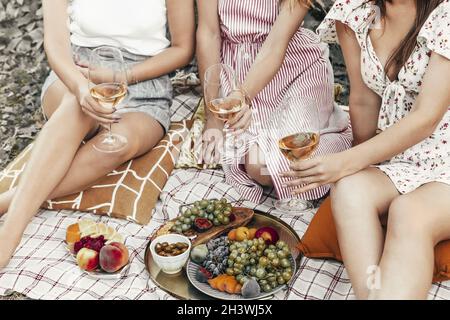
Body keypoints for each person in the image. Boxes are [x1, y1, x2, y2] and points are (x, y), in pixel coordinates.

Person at [0, 0, 195, 269]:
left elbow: (183, 48)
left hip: (144, 83)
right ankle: (9, 236)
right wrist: (81, 88)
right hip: (76, 74)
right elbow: (55, 44)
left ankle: (8, 201)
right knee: (77, 106)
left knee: (117, 145)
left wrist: (121, 75)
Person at [285, 0, 450, 299]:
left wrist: (346, 161)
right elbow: (362, 98)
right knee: (348, 188)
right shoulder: (354, 11)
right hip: (397, 157)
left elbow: (427, 118)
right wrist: (355, 165)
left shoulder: (446, 13)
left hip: (445, 156)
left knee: (408, 211)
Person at [196, 0, 352, 203]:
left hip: (295, 70)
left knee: (272, 166)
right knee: (257, 164)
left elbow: (275, 45)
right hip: (238, 70)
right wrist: (213, 116)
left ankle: (346, 149)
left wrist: (242, 96)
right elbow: (209, 33)